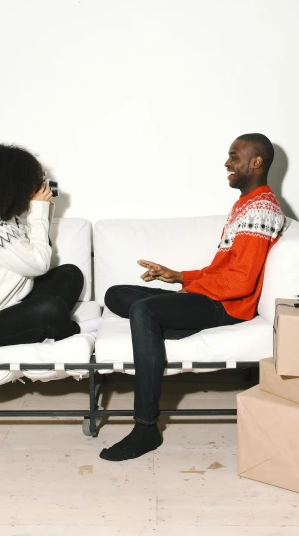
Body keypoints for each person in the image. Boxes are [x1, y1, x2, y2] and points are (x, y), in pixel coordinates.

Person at [99, 133, 286, 462]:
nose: (227, 163)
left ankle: (145, 428)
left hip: (225, 307)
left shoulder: (262, 209)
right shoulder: (245, 205)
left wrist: (192, 289)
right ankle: (164, 323)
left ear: (256, 162)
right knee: (115, 294)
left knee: (143, 311)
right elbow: (222, 269)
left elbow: (240, 283)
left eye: (234, 156)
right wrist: (179, 276)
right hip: (212, 295)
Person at [0, 143, 98, 350]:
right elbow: (39, 264)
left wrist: (42, 211)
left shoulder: (6, 221)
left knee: (70, 274)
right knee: (51, 308)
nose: (40, 185)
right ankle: (70, 330)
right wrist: (39, 211)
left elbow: (38, 254)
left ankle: (42, 328)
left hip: (7, 307)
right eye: (33, 181)